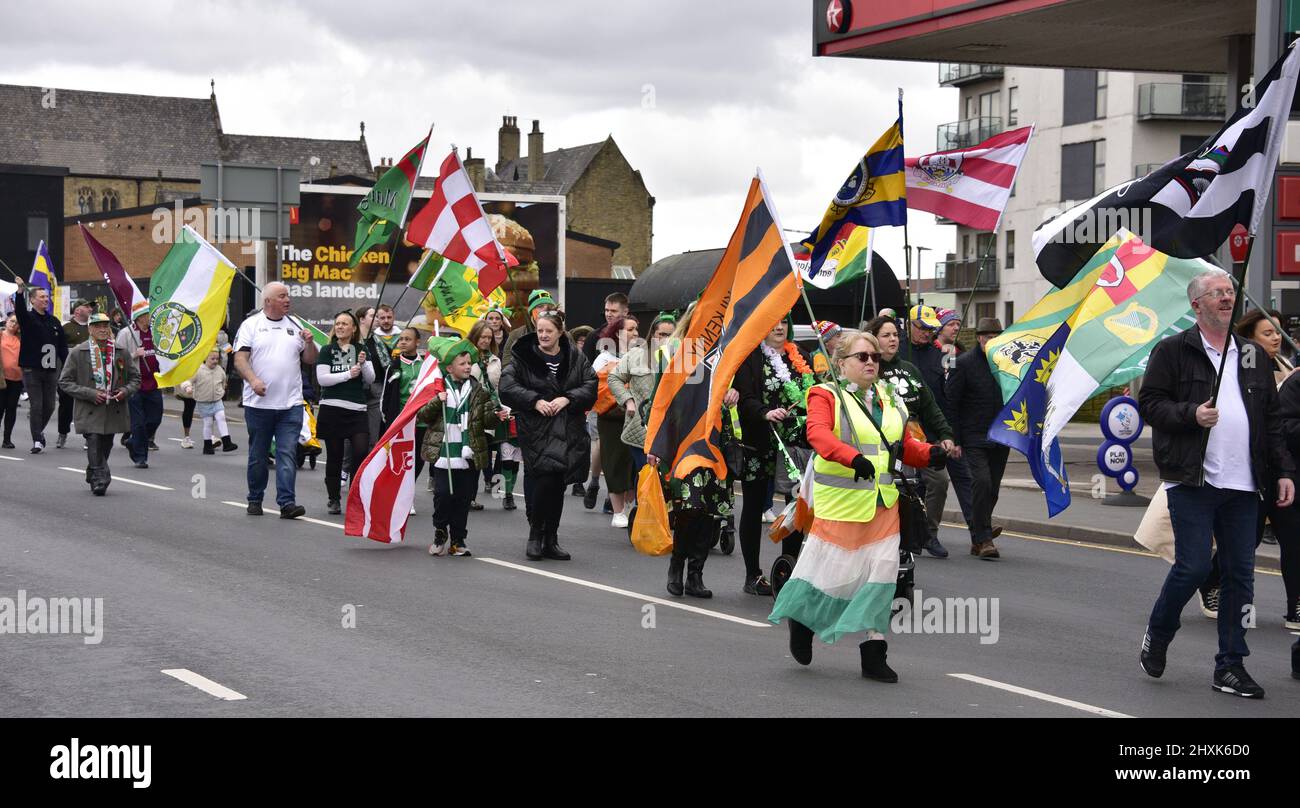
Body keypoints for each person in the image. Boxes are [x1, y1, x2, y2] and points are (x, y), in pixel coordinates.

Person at [1138, 268, 1295, 699]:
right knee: (1191, 567)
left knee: (1241, 576)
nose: (1227, 298)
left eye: (1230, 292)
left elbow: (1272, 419)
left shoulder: (1251, 355)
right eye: (1216, 293)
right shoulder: (1173, 350)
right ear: (1197, 304)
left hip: (1245, 484)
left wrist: (1283, 472)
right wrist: (1191, 414)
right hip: (1193, 480)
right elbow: (1150, 404)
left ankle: (1230, 665)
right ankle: (1160, 630)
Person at [769, 330, 946, 682]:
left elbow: (902, 445)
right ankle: (803, 623)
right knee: (831, 578)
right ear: (841, 362)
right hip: (841, 505)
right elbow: (817, 435)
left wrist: (931, 453)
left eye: (875, 357)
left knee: (882, 577)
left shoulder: (889, 397)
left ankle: (874, 652)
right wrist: (851, 458)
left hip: (884, 505)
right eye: (862, 357)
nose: (870, 363)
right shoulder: (825, 394)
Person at [645, 306, 732, 599]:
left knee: (709, 511)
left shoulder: (727, 354)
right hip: (683, 441)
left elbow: (739, 389)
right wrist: (656, 445)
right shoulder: (672, 354)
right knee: (689, 507)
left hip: (715, 440)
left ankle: (696, 573)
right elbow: (659, 401)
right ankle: (677, 565)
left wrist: (736, 393)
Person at [499, 310, 597, 561]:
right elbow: (507, 387)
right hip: (536, 427)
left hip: (567, 426)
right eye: (540, 330)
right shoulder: (524, 356)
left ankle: (551, 538)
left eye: (548, 331)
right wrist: (534, 401)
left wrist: (568, 398)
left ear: (560, 332)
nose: (543, 335)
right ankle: (535, 535)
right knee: (544, 477)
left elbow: (591, 385)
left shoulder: (574, 356)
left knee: (557, 483)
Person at [865, 314, 961, 558]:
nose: (892, 339)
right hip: (885, 438)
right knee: (898, 487)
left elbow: (930, 406)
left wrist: (945, 434)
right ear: (874, 339)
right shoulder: (869, 371)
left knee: (939, 480)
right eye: (886, 335)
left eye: (895, 335)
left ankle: (929, 533)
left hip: (916, 435)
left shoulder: (909, 369)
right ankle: (890, 534)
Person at [733, 319, 815, 596]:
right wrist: (765, 412)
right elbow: (744, 399)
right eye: (773, 322)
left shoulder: (801, 355)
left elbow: (812, 393)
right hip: (762, 441)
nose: (778, 327)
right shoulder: (751, 357)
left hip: (795, 444)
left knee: (796, 503)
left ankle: (788, 569)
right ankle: (752, 574)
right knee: (754, 505)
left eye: (784, 322)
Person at [234, 281, 318, 519]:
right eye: (282, 296)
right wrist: (253, 380)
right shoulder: (251, 325)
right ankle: (255, 498)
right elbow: (240, 359)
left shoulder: (295, 324)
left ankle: (287, 503)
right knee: (259, 455)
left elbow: (310, 360)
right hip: (258, 405)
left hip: (290, 404)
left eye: (288, 296)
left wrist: (310, 342)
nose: (287, 300)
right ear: (268, 301)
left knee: (287, 453)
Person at [420, 338, 504, 557]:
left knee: (462, 499)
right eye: (462, 363)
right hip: (443, 453)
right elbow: (424, 416)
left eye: (469, 363)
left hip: (469, 453)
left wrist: (497, 416)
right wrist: (438, 401)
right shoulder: (437, 387)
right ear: (449, 368)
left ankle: (458, 540)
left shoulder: (479, 391)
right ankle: (440, 532)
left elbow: (486, 421)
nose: (468, 367)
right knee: (443, 495)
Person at [946, 318, 1008, 559]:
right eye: (986, 336)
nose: (990, 340)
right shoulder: (963, 364)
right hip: (973, 436)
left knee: (992, 488)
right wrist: (955, 438)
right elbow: (952, 403)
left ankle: (978, 534)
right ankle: (984, 539)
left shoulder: (1006, 364)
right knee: (980, 482)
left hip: (1001, 435)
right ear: (979, 338)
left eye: (995, 336)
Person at [57, 313, 140, 495]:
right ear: (90, 329)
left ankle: (93, 469)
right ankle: (100, 479)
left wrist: (124, 391)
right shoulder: (79, 352)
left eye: (105, 326)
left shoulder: (121, 351)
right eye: (97, 326)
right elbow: (64, 382)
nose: (102, 330)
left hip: (113, 408)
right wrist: (90, 393)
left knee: (106, 443)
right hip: (89, 408)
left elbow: (135, 378)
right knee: (94, 440)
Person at [316, 309, 375, 515]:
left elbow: (370, 378)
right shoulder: (326, 350)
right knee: (335, 455)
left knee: (360, 451)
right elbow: (322, 379)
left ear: (353, 328)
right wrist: (347, 374)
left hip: (356, 409)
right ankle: (334, 498)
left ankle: (355, 495)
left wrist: (363, 363)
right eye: (338, 323)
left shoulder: (361, 349)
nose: (340, 327)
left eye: (344, 324)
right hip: (332, 407)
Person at [609, 312, 677, 478]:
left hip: (671, 430)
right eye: (662, 334)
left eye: (671, 335)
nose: (666, 339)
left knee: (667, 482)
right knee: (646, 477)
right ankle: (641, 504)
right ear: (653, 334)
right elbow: (614, 377)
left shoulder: (683, 358)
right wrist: (628, 401)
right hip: (640, 429)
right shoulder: (636, 355)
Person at [592, 315, 639, 528]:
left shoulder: (642, 357)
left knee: (632, 462)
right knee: (614, 462)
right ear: (618, 333)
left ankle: (630, 506)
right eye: (630, 329)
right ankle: (617, 510)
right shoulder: (603, 359)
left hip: (635, 417)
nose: (635, 333)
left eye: (637, 329)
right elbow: (600, 390)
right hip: (611, 418)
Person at [12, 277, 68, 453]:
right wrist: (20, 291)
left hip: (51, 369)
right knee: (36, 405)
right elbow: (19, 311)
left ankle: (39, 430)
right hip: (32, 369)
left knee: (50, 405)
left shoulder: (54, 322)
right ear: (33, 300)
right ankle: (37, 439)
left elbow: (62, 347)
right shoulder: (28, 318)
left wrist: (67, 366)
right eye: (42, 296)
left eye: (47, 297)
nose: (46, 299)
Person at [468, 320, 519, 510]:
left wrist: (503, 407)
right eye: (482, 337)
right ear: (475, 336)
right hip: (472, 410)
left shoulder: (495, 360)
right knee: (474, 456)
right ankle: (469, 497)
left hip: (493, 409)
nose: (485, 340)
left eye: (488, 337)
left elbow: (498, 387)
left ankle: (504, 492)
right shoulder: (466, 357)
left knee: (501, 452)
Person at [116, 310, 163, 469]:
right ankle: (140, 457)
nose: (151, 318)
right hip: (134, 384)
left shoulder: (156, 332)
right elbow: (118, 359)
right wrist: (135, 354)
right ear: (140, 317)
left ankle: (133, 441)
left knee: (155, 419)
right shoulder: (126, 333)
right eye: (149, 314)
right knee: (138, 423)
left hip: (154, 383)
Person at [56, 298, 95, 448]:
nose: (90, 309)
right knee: (66, 405)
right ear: (78, 310)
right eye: (87, 307)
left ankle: (89, 437)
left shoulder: (94, 327)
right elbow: (59, 348)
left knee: (89, 405)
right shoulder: (66, 328)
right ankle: (62, 433)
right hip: (70, 373)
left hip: (89, 373)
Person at [186, 349, 237, 454]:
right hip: (203, 402)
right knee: (208, 423)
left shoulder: (219, 370)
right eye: (212, 358)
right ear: (205, 358)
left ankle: (227, 442)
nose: (215, 361)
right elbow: (188, 381)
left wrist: (221, 391)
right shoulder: (199, 370)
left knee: (221, 417)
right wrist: (187, 387)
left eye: (217, 359)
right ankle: (207, 446)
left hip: (217, 400)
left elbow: (223, 381)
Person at [502, 289, 557, 362]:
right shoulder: (515, 336)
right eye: (540, 306)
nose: (545, 310)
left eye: (549, 307)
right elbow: (507, 366)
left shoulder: (563, 335)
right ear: (532, 311)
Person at [2, 314, 22, 448]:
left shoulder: (20, 339)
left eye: (16, 322)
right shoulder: (0, 335)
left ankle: (7, 439)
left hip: (16, 378)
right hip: (1, 378)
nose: (13, 324)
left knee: (11, 409)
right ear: (6, 321)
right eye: (11, 321)